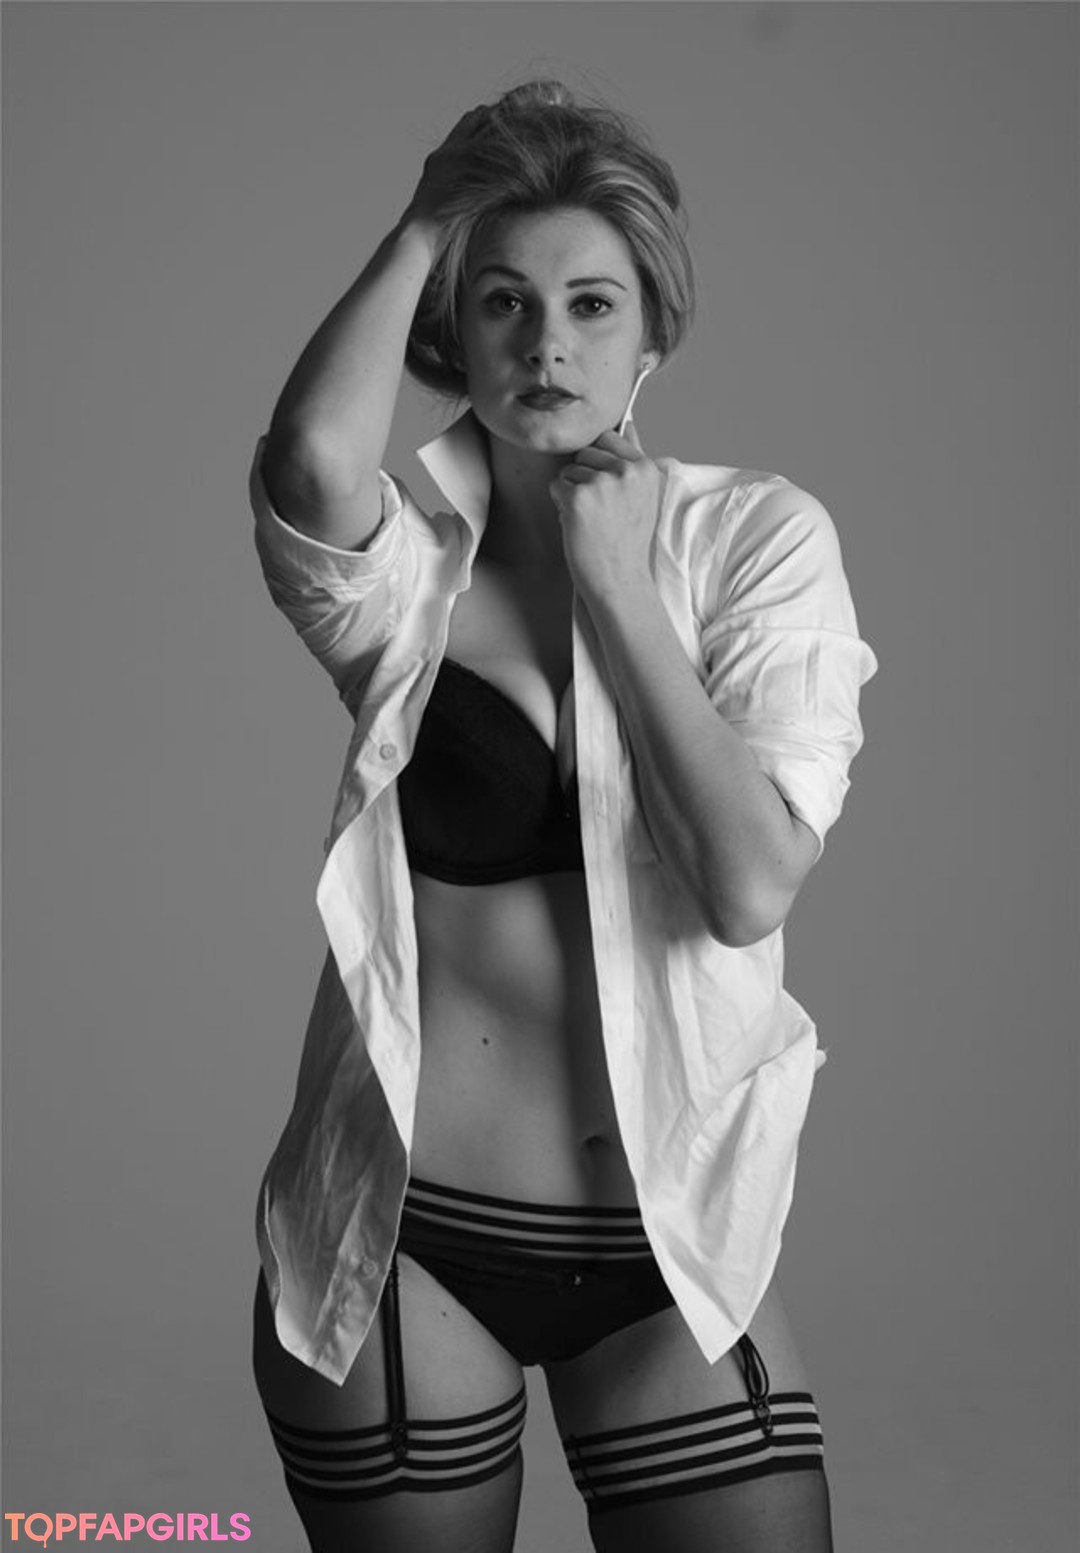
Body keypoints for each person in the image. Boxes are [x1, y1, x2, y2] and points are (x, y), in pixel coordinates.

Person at [248, 80, 877, 1553]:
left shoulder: (759, 542)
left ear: (651, 335)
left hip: (673, 1251)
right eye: (505, 304)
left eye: (593, 306)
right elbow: (310, 465)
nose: (548, 345)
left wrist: (614, 579)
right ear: (453, 336)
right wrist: (432, 216)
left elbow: (748, 883)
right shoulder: (410, 578)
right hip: (410, 1248)